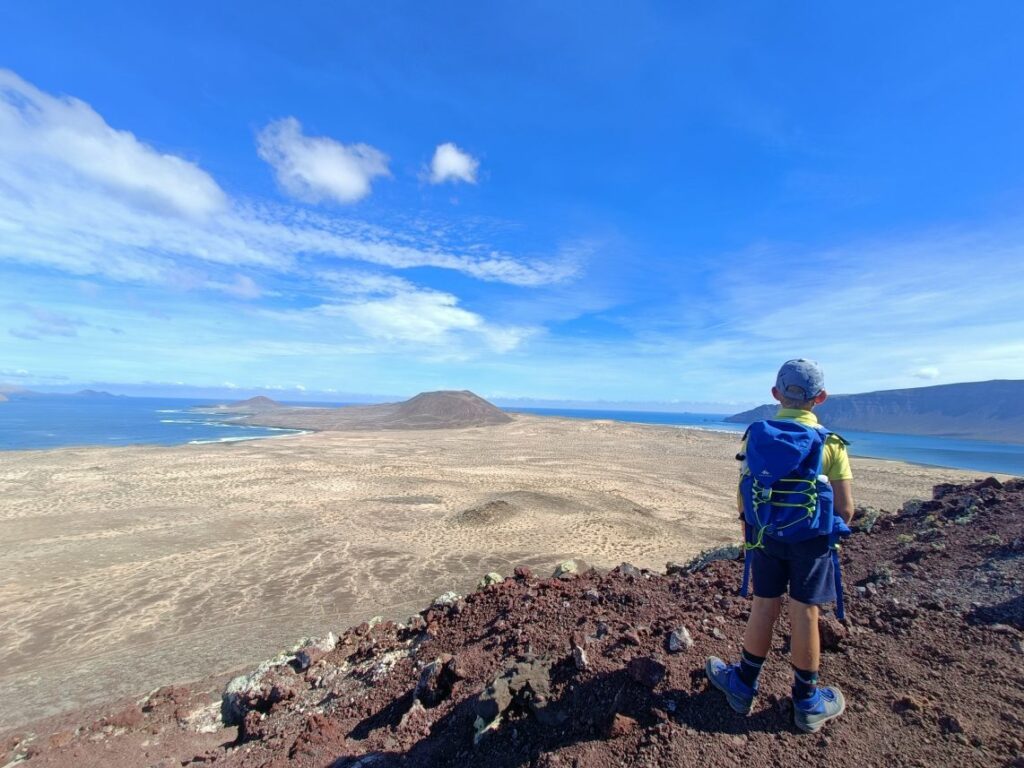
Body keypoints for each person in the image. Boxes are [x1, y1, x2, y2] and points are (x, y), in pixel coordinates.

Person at [706, 358, 855, 733]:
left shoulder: (757, 436)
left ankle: (742, 685)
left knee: (763, 606)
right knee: (806, 614)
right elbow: (846, 508)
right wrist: (827, 534)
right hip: (812, 543)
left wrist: (750, 535)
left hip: (765, 537)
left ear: (775, 394)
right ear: (820, 397)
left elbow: (744, 496)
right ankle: (807, 702)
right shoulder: (831, 444)